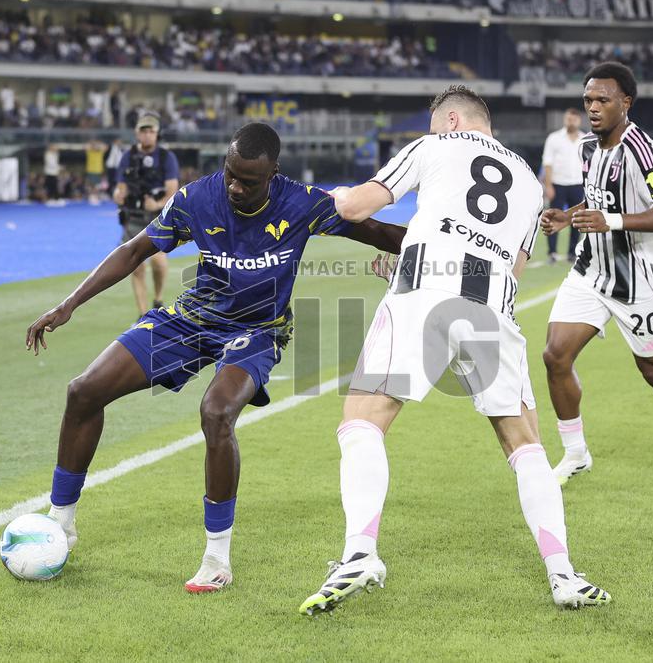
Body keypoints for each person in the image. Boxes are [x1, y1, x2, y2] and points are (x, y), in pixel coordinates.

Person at [25, 123, 406, 594]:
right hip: (193, 318)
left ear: (273, 175)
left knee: (217, 412)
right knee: (83, 391)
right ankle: (61, 524)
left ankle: (216, 557)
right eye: (231, 175)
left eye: (248, 181)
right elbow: (133, 250)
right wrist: (68, 305)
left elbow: (379, 232)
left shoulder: (303, 202)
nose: (235, 187)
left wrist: (450, 249)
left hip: (258, 331)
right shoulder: (195, 198)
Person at [299, 86, 610, 616]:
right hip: (493, 306)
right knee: (524, 444)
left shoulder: (434, 145)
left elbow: (354, 207)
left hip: (424, 294)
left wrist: (319, 197)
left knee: (363, 422)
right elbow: (513, 268)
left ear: (450, 117)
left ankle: (359, 554)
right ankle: (564, 575)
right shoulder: (531, 185)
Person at [540, 62, 653, 488]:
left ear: (625, 103)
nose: (593, 108)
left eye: (603, 100)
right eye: (588, 100)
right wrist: (569, 217)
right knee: (555, 355)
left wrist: (611, 222)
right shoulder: (587, 149)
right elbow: (598, 198)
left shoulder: (644, 151)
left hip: (640, 279)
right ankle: (575, 453)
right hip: (590, 270)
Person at [112, 112, 178, 316]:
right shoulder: (128, 157)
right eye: (144, 130)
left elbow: (173, 192)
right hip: (132, 216)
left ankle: (157, 299)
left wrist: (156, 203)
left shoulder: (166, 158)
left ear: (157, 134)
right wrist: (118, 195)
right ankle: (142, 315)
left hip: (158, 218)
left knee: (158, 262)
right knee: (136, 267)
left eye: (152, 131)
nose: (148, 135)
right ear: (137, 133)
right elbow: (120, 187)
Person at [541, 107, 586, 264]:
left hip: (578, 185)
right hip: (558, 184)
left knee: (577, 220)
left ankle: (572, 253)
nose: (570, 121)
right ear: (564, 120)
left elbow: (589, 164)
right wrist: (549, 186)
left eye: (573, 119)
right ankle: (552, 252)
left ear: (579, 120)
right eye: (568, 118)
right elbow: (547, 163)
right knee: (553, 218)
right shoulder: (554, 138)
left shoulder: (585, 139)